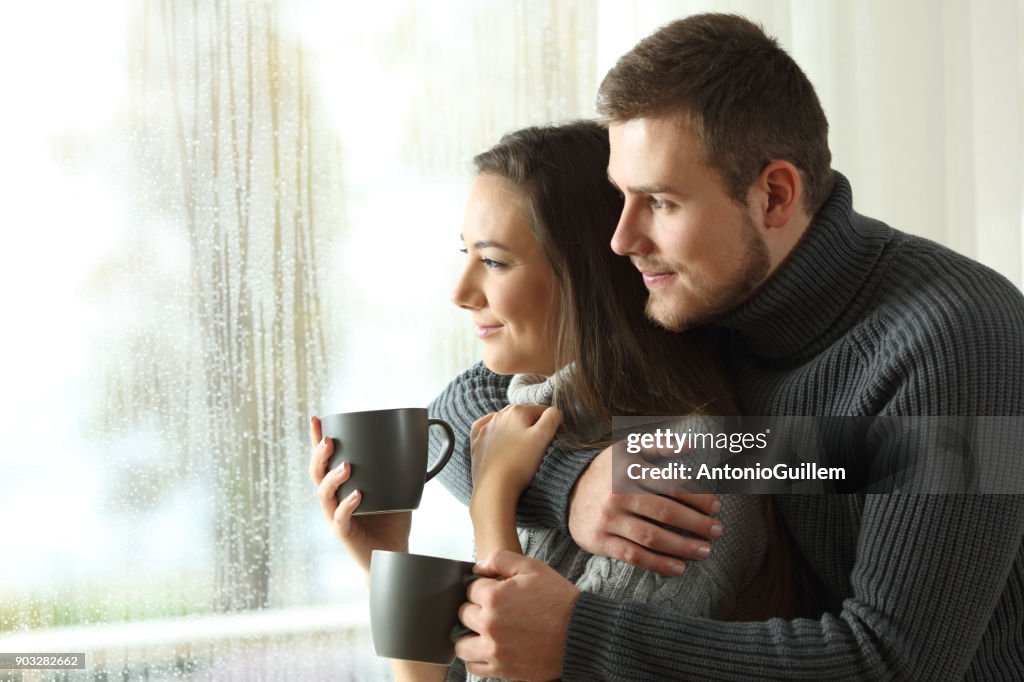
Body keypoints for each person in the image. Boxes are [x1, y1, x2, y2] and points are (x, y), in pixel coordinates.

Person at [446, 13, 1024, 682]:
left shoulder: (959, 339)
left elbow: (894, 665)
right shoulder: (700, 293)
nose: (622, 239)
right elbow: (471, 396)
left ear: (773, 195)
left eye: (658, 201)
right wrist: (571, 481)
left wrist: (578, 636)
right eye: (621, 198)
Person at [309, 121, 806, 681]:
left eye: (494, 261)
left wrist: (493, 496)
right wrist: (386, 564)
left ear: (586, 278)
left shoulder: (681, 463)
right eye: (466, 253)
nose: (461, 291)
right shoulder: (548, 425)